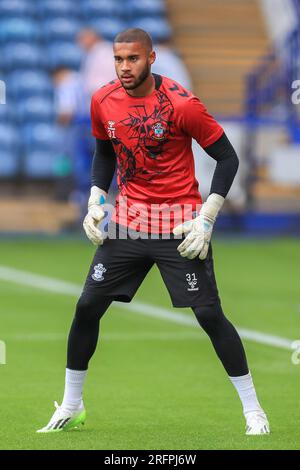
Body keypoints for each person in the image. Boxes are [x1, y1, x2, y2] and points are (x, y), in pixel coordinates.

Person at [37, 28, 270, 435]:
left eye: (133, 59)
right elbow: (104, 153)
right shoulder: (103, 100)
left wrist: (208, 216)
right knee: (86, 308)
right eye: (118, 59)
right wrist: (95, 200)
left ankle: (254, 411)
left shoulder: (182, 104)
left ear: (151, 58)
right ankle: (72, 405)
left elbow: (228, 158)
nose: (125, 67)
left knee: (209, 314)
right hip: (127, 225)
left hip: (179, 225)